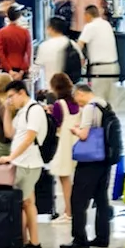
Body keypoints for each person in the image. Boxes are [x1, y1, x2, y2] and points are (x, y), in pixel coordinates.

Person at [0, 80, 47, 248]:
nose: (10, 100)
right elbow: (10, 133)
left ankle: (24, 239)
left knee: (21, 202)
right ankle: (31, 240)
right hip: (22, 162)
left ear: (21, 93)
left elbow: (30, 138)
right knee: (27, 202)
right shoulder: (22, 112)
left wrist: (11, 156)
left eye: (11, 97)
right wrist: (7, 110)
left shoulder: (35, 110)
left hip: (28, 163)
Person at [62, 83, 114, 248]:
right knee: (101, 198)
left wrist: (75, 130)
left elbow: (84, 135)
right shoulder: (104, 104)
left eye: (77, 99)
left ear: (80, 93)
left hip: (90, 160)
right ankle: (102, 236)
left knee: (78, 199)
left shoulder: (90, 108)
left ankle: (79, 238)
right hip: (104, 156)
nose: (78, 103)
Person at [46, 72, 81, 223]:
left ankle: (68, 211)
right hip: (78, 141)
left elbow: (57, 123)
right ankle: (76, 210)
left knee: (64, 177)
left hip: (65, 143)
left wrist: (50, 112)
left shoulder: (59, 105)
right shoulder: (77, 102)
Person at [77, 5, 119, 100]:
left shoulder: (90, 26)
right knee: (110, 98)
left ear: (88, 15)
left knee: (98, 98)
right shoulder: (106, 24)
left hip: (100, 68)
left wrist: (81, 58)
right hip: (113, 66)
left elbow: (79, 45)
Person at [35, 17, 78, 83]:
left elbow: (38, 66)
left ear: (50, 28)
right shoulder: (72, 44)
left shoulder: (44, 46)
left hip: (51, 85)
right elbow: (81, 61)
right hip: (69, 86)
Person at [0, 5, 31, 80]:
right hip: (21, 67)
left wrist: (9, 70)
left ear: (7, 16)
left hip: (7, 68)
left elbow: (0, 52)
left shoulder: (2, 32)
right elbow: (28, 53)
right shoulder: (25, 32)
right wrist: (22, 71)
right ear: (19, 16)